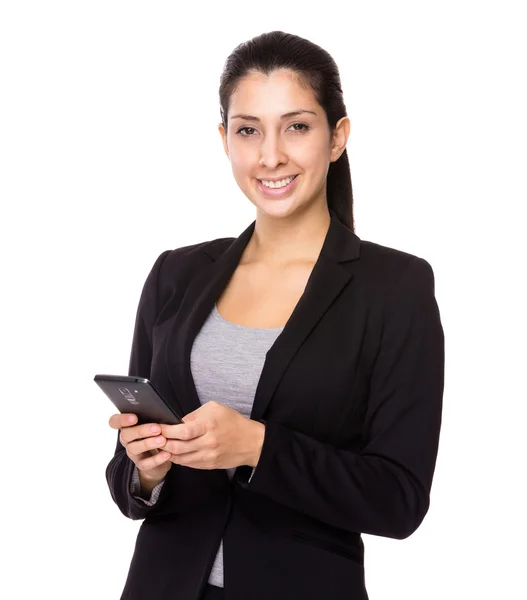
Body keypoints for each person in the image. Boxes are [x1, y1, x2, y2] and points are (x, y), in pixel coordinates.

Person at [105, 30, 445, 600]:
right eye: (247, 130)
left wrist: (259, 447)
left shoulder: (396, 288)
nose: (270, 156)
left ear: (337, 137)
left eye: (297, 126)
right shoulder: (175, 274)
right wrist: (147, 470)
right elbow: (125, 483)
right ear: (224, 140)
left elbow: (399, 499)